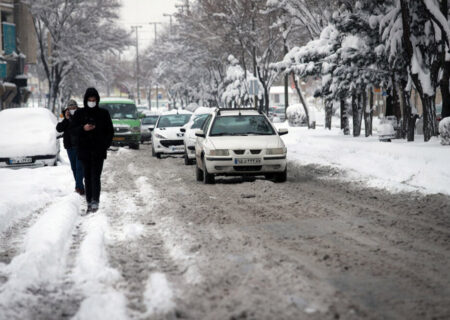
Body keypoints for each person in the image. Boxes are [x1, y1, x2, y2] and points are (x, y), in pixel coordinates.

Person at [71, 88, 114, 213]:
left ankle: (96, 200)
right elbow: (73, 131)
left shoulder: (103, 113)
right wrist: (83, 128)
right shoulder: (79, 114)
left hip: (98, 151)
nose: (91, 102)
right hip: (84, 150)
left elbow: (110, 131)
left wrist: (105, 145)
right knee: (87, 177)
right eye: (89, 100)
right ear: (85, 100)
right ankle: (89, 201)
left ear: (97, 100)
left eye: (94, 100)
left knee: (96, 176)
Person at [56, 99, 85, 195]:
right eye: (70, 108)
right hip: (70, 146)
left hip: (80, 145)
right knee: (74, 168)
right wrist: (66, 119)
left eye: (74, 108)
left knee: (79, 167)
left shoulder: (81, 114)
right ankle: (80, 185)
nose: (72, 109)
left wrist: (72, 119)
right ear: (67, 109)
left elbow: (80, 126)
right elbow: (59, 128)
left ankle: (79, 188)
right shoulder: (64, 115)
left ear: (77, 107)